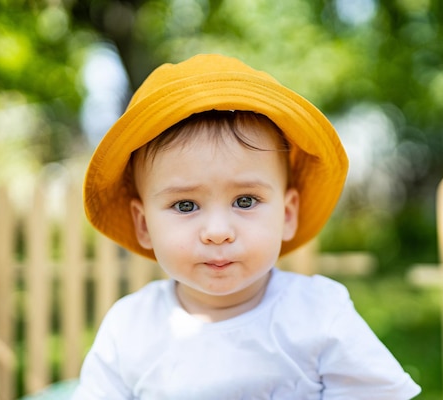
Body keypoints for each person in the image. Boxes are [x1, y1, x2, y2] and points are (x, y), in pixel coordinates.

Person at [73, 54, 421, 399]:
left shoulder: (318, 315)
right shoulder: (131, 329)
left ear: (286, 214)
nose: (218, 231)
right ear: (144, 224)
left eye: (245, 201)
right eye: (185, 205)